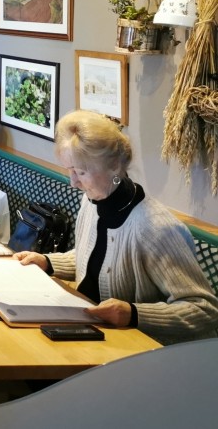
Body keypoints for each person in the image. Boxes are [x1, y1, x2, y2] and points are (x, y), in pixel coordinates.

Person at [14, 110, 218, 345]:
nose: (73, 182)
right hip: (97, 336)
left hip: (150, 353)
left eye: (80, 172)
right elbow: (94, 258)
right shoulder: (92, 201)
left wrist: (133, 314)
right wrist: (47, 262)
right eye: (69, 171)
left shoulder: (155, 228)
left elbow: (204, 310)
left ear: (113, 168)